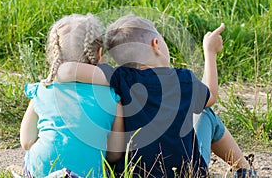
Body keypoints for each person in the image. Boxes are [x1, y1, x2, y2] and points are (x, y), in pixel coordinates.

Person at [56, 14, 256, 178]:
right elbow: (211, 94)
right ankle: (244, 170)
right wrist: (209, 52)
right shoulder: (183, 80)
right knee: (207, 114)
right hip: (188, 173)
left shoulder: (120, 78)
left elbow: (66, 71)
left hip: (132, 173)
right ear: (156, 44)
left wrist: (99, 65)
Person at [20, 14, 124, 178]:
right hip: (89, 173)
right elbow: (115, 154)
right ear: (99, 53)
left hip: (42, 170)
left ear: (55, 54)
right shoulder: (113, 98)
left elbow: (26, 142)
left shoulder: (43, 90)